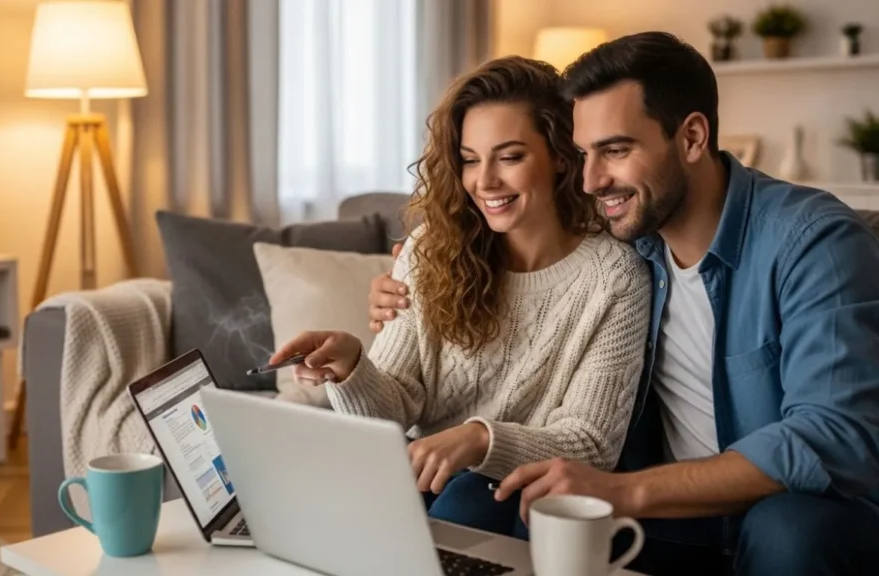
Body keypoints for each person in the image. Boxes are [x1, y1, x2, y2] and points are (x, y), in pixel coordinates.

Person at [368, 32, 879, 576]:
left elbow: (831, 437)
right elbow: (533, 243)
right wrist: (416, 275)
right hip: (682, 516)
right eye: (584, 154)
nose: (591, 180)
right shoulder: (634, 243)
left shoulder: (814, 243)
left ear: (692, 137)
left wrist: (624, 492)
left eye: (615, 150)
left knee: (787, 532)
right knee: (524, 504)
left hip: (806, 510)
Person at [269, 56, 651, 538]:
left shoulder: (616, 278)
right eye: (470, 159)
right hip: (423, 480)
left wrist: (478, 440)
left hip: (526, 499)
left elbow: (592, 444)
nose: (484, 181)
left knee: (470, 496)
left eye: (509, 157)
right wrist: (350, 366)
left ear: (559, 155)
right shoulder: (433, 248)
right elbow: (393, 411)